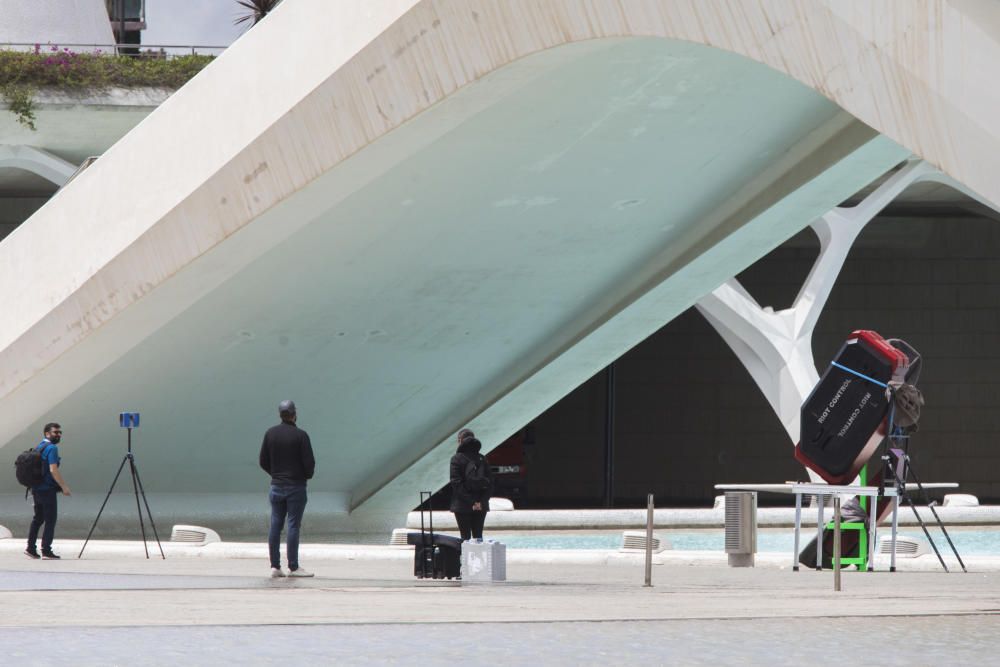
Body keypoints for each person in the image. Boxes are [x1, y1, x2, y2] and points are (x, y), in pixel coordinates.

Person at [259, 400, 316, 578]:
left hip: (276, 486)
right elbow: (309, 464)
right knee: (293, 525)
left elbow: (263, 461)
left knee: (275, 525)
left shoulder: (270, 434)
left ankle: (275, 566)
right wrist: (304, 476)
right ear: (294, 414)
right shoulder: (301, 436)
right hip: (296, 487)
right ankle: (293, 566)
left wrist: (275, 474)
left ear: (280, 414)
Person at [25, 422, 71, 560]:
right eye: (55, 432)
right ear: (47, 433)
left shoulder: (40, 446)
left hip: (36, 488)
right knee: (50, 520)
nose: (58, 435)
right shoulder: (51, 448)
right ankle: (46, 550)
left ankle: (30, 548)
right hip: (47, 489)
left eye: (59, 432)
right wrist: (64, 486)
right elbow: (53, 469)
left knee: (38, 519)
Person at [449, 428, 493, 542]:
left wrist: (471, 502)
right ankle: (480, 560)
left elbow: (456, 483)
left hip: (462, 505)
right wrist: (480, 502)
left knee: (465, 537)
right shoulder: (482, 458)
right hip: (481, 504)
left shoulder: (456, 459)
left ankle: (466, 560)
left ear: (460, 441)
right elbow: (490, 483)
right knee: (478, 536)